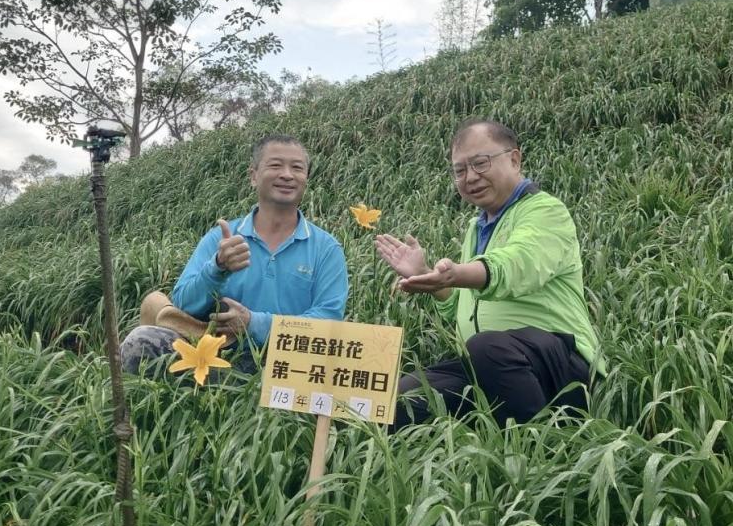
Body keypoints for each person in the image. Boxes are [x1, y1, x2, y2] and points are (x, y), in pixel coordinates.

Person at [376, 119, 605, 428]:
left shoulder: (546, 210)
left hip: (560, 364)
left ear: (514, 159)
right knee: (398, 399)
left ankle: (541, 450)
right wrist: (429, 277)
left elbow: (517, 265)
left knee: (487, 347)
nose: (470, 177)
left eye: (480, 164)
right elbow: (465, 308)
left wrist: (457, 274)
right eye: (460, 170)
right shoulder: (477, 226)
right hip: (489, 365)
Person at [120, 134, 349, 376]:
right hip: (216, 356)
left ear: (306, 179)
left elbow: (329, 322)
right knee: (141, 341)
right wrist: (217, 269)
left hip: (287, 367)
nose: (287, 175)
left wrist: (252, 323)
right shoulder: (220, 238)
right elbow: (182, 304)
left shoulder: (326, 248)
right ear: (253, 176)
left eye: (297, 168)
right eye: (275, 165)